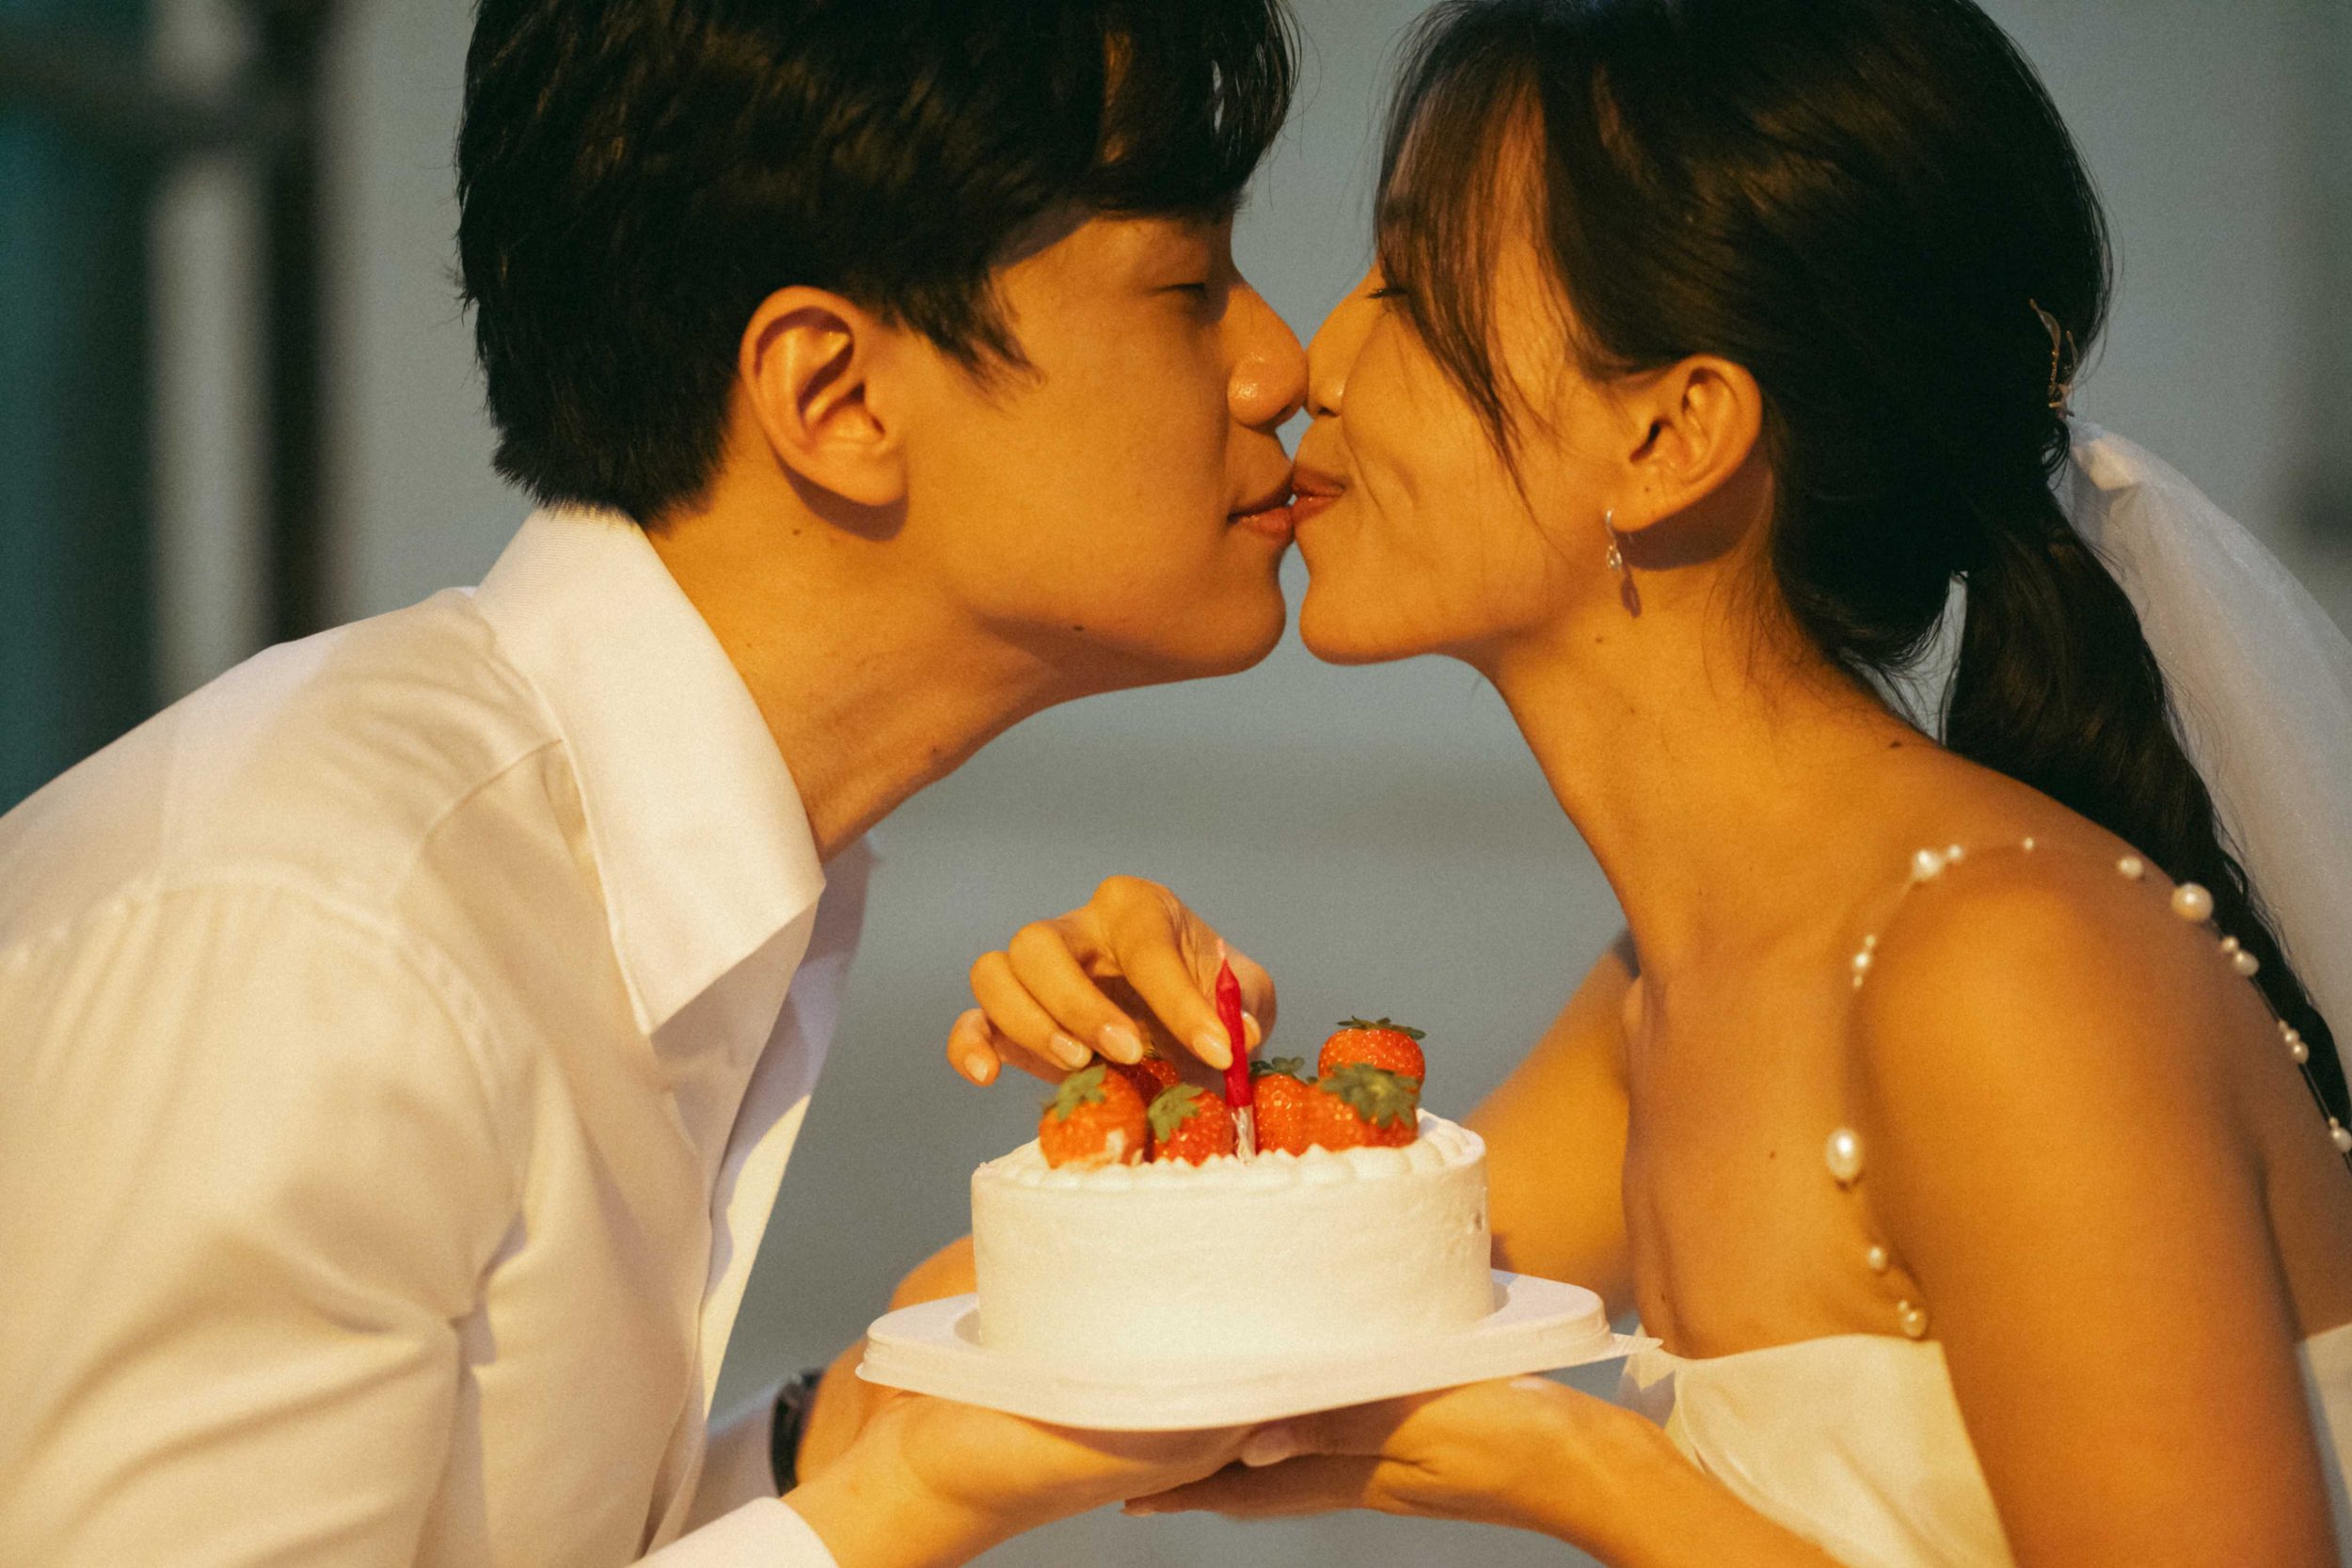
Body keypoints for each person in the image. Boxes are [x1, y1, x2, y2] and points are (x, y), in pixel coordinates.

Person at [935, 0, 2352, 1562]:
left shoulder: (2004, 975)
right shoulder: (1675, 992)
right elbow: (1185, 1355)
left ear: (1673, 434)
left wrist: (1580, 1474)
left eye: (1410, 284)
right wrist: (1157, 1097)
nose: (1311, 365)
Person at [0, 2, 1301, 1565]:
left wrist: (884, 1425)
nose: (1280, 365)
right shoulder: (320, 945)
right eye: (1190, 289)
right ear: (836, 397)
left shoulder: (589, 880)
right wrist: (899, 1509)